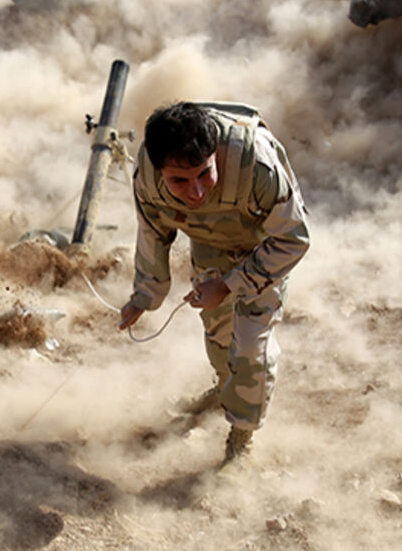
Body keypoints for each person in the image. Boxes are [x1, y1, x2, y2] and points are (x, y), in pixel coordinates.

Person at [118, 101, 309, 465]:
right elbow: (152, 231)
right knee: (220, 336)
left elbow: (293, 239)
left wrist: (228, 285)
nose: (197, 193)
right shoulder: (146, 172)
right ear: (160, 172)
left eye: (204, 174)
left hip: (262, 247)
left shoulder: (256, 163)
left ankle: (242, 435)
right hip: (211, 244)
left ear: (215, 155)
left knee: (251, 346)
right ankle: (225, 388)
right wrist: (144, 295)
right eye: (179, 181)